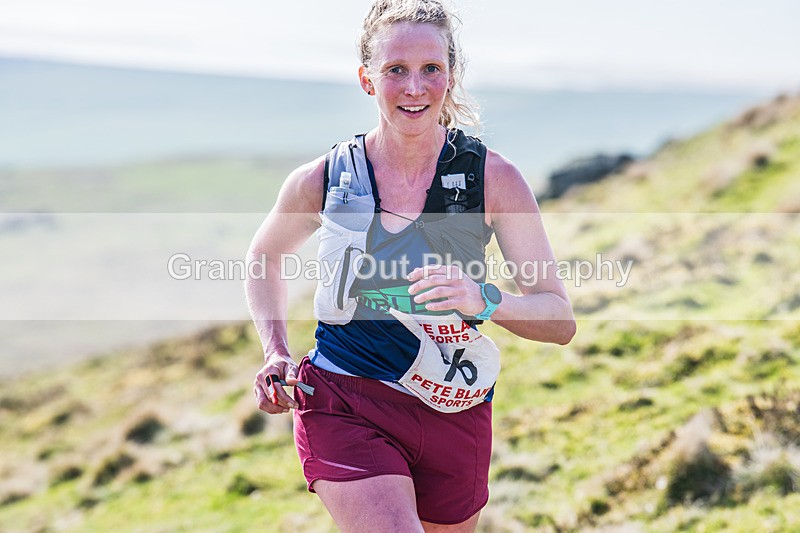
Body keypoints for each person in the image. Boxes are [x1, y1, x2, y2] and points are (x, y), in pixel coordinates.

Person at [245, 0, 575, 531]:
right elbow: (265, 256)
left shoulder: (493, 180)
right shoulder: (323, 179)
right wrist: (275, 351)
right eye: (396, 69)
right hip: (344, 396)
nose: (414, 88)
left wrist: (485, 299)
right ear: (367, 80)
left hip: (454, 405)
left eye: (431, 69)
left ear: (451, 76)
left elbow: (559, 320)